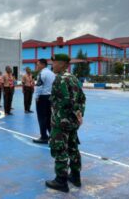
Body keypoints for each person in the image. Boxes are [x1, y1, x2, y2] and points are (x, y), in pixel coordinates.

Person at [45, 54, 86, 193]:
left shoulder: (60, 79)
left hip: (61, 122)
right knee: (73, 147)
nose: (52, 65)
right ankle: (75, 176)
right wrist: (79, 116)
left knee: (60, 149)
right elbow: (81, 99)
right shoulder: (73, 78)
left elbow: (64, 102)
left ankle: (61, 181)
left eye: (54, 62)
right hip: (73, 122)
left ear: (62, 64)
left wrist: (60, 119)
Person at [33, 59, 55, 144]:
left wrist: (36, 97)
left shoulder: (42, 73)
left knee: (41, 117)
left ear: (43, 64)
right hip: (50, 97)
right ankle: (52, 136)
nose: (37, 66)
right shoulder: (52, 74)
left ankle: (44, 136)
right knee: (49, 117)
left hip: (42, 97)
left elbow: (39, 86)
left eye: (38, 64)